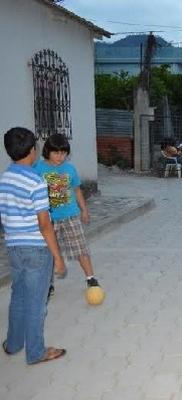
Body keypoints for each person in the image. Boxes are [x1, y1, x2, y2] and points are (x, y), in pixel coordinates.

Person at [0, 127, 66, 364]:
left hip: (14, 247)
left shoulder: (5, 178)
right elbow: (44, 223)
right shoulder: (36, 181)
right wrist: (57, 257)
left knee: (19, 295)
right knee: (37, 303)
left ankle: (13, 343)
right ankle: (36, 352)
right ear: (32, 151)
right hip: (37, 249)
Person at [34, 133, 101, 292]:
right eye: (56, 153)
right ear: (47, 151)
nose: (60, 157)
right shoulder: (38, 168)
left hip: (70, 215)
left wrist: (84, 210)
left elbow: (77, 190)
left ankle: (90, 278)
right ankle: (48, 284)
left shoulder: (70, 169)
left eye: (64, 153)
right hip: (48, 219)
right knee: (48, 252)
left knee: (80, 248)